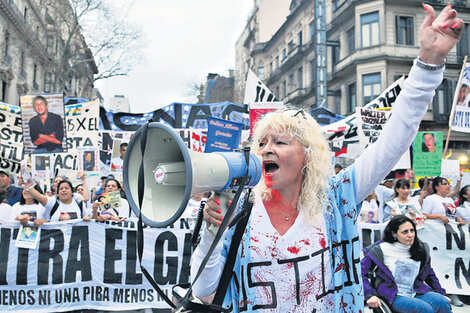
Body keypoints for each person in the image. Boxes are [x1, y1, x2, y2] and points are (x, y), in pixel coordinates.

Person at [189, 5, 464, 311]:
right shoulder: (241, 211)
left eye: (280, 141)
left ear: (308, 155)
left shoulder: (338, 197)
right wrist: (213, 231)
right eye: (262, 142)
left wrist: (428, 63)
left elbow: (394, 138)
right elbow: (205, 291)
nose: (266, 149)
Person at [361, 215, 451, 313]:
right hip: (392, 294)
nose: (410, 235)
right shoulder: (380, 250)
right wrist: (370, 295)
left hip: (415, 290)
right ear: (394, 234)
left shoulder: (421, 248)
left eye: (412, 230)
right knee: (424, 309)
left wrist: (440, 292)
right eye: (405, 232)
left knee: (442, 302)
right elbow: (361, 273)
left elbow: (429, 273)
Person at [20, 179, 91, 222]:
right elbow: (37, 196)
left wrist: (87, 219)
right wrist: (27, 185)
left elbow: (88, 218)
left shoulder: (79, 204)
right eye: (61, 189)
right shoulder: (52, 203)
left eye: (66, 188)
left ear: (72, 192)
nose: (63, 190)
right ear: (57, 193)